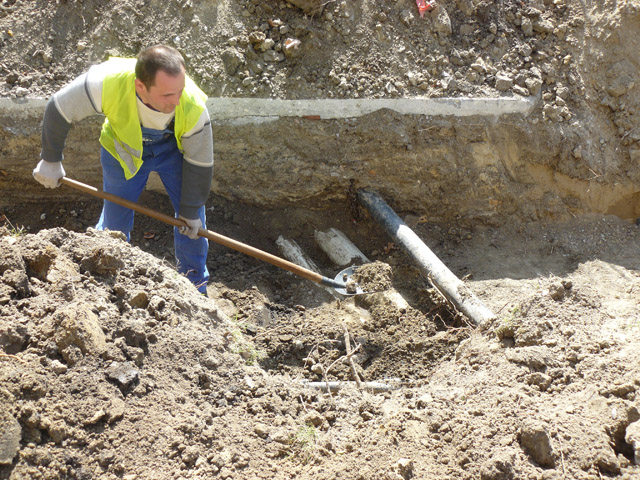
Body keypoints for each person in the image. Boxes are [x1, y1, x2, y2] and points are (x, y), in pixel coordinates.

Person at [33, 45, 213, 294]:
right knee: (114, 224)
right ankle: (105, 277)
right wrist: (51, 160)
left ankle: (195, 284)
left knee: (192, 226)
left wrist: (190, 209)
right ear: (141, 86)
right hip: (122, 150)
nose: (177, 100)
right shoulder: (107, 82)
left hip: (176, 152)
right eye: (167, 95)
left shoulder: (193, 106)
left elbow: (200, 161)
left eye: (180, 91)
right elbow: (59, 108)